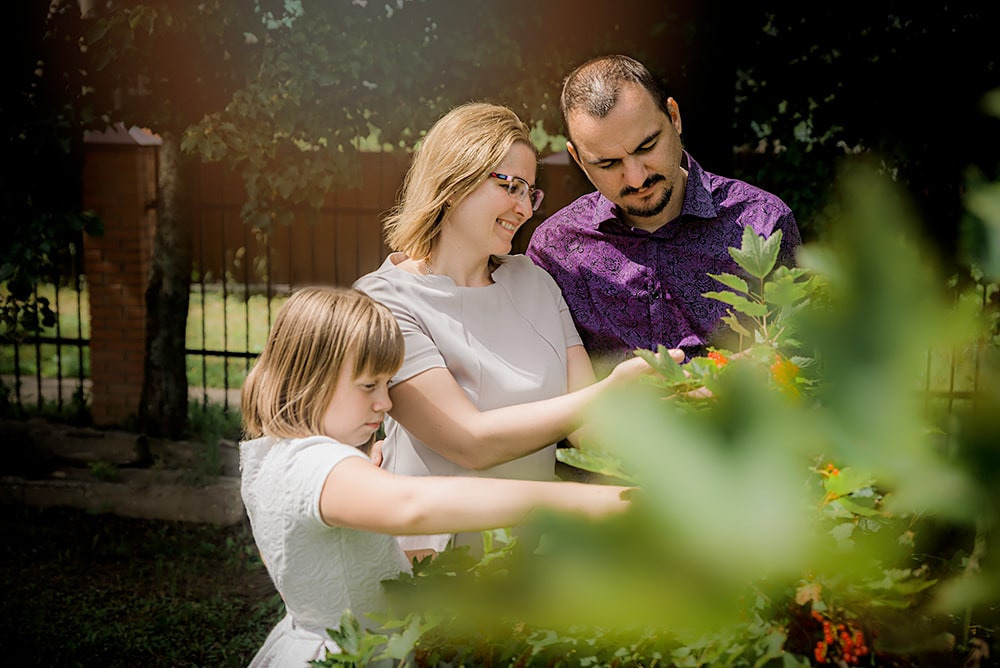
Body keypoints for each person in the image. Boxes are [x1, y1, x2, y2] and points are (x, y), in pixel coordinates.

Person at [239, 286, 631, 667]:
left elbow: (322, 564)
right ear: (312, 377)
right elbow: (413, 506)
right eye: (368, 386)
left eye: (387, 383)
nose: (386, 402)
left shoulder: (274, 455)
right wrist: (588, 502)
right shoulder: (317, 465)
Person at [353, 102, 677, 555]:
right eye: (510, 186)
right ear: (452, 181)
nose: (525, 208)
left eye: (531, 192)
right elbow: (470, 442)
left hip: (531, 557)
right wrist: (610, 391)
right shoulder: (386, 301)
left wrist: (686, 398)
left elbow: (589, 432)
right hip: (436, 560)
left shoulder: (534, 281)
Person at [526, 54, 802, 374]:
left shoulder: (763, 222)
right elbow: (546, 384)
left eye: (647, 147)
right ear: (578, 159)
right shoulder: (555, 250)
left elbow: (803, 354)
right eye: (608, 164)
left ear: (674, 117)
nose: (636, 178)